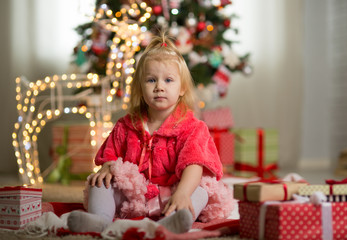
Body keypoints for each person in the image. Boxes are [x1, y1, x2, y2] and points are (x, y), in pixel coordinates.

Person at [67, 31, 234, 234]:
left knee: (202, 191)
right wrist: (107, 168)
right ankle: (99, 220)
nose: (159, 87)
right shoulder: (126, 125)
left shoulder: (193, 128)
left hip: (173, 192)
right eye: (151, 80)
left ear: (182, 88)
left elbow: (194, 164)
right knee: (99, 183)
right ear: (140, 87)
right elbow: (110, 155)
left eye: (168, 80)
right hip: (135, 196)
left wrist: (182, 193)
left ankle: (172, 222)